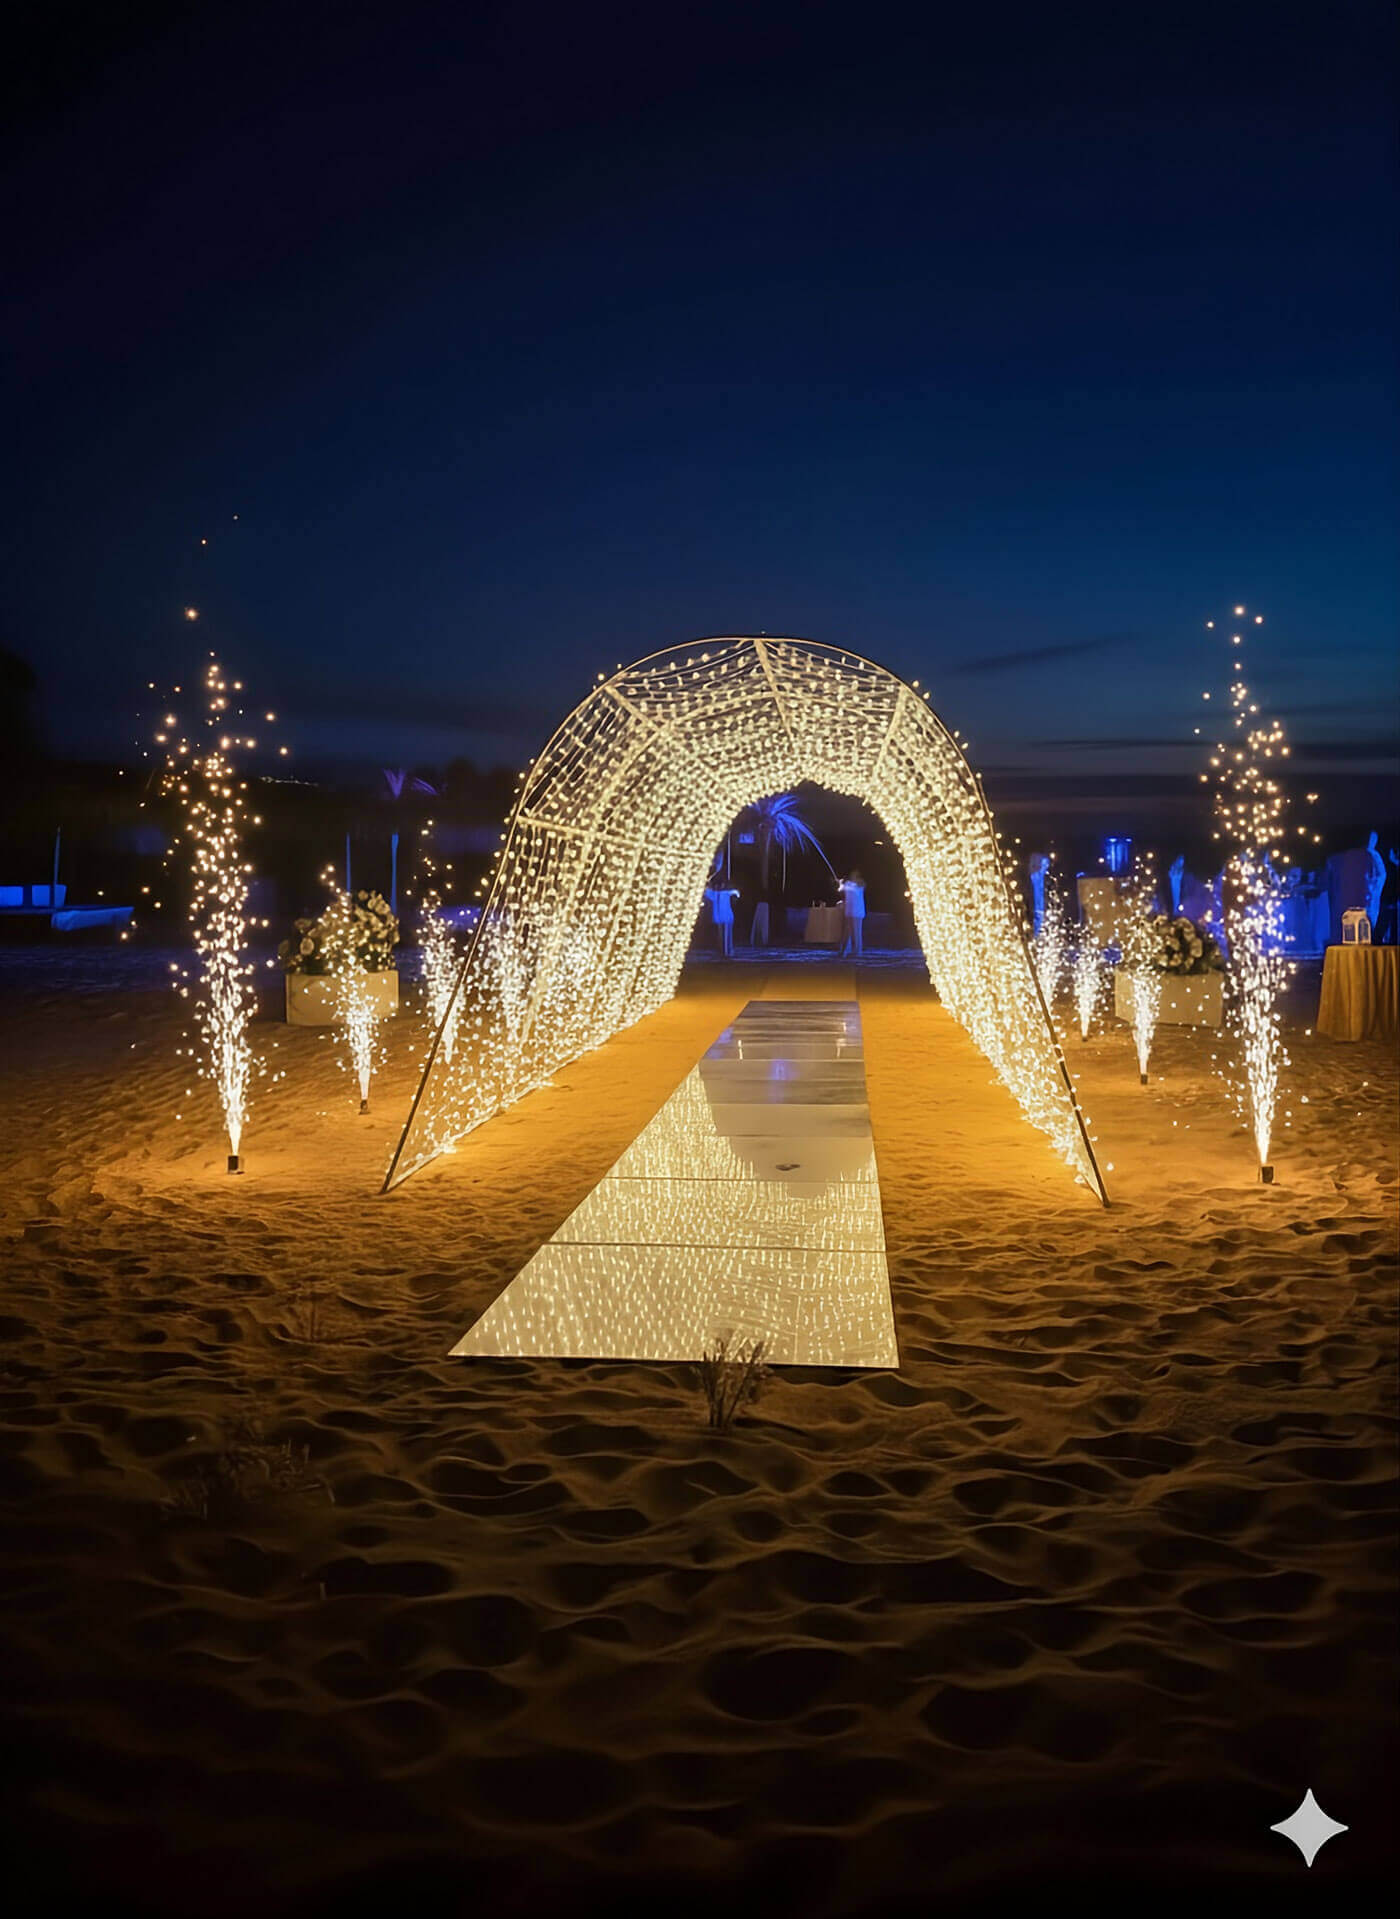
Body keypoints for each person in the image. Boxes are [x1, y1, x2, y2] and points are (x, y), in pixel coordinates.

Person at [703, 871, 740, 957]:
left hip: (726, 917)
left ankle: (727, 951)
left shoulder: (724, 893)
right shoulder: (715, 894)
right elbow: (706, 891)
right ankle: (724, 951)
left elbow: (736, 893)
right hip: (721, 917)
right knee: (721, 935)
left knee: (726, 935)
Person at [838, 868, 866, 958]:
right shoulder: (848, 884)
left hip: (857, 913)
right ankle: (844, 950)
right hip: (849, 912)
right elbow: (840, 890)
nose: (852, 876)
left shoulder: (860, 884)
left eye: (855, 875)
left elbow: (852, 888)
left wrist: (843, 885)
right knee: (847, 933)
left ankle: (857, 952)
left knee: (856, 933)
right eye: (852, 875)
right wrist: (840, 884)